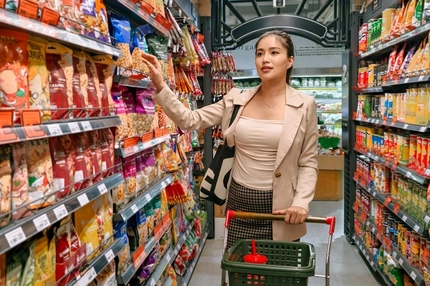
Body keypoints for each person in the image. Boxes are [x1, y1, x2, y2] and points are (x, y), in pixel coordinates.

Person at [142, 30, 319, 249]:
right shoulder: (237, 99)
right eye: (260, 53)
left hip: (282, 209)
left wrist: (301, 203)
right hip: (238, 203)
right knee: (240, 274)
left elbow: (308, 162)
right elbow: (190, 119)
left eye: (274, 53)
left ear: (290, 60)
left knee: (278, 274)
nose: (265, 59)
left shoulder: (305, 105)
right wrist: (161, 85)